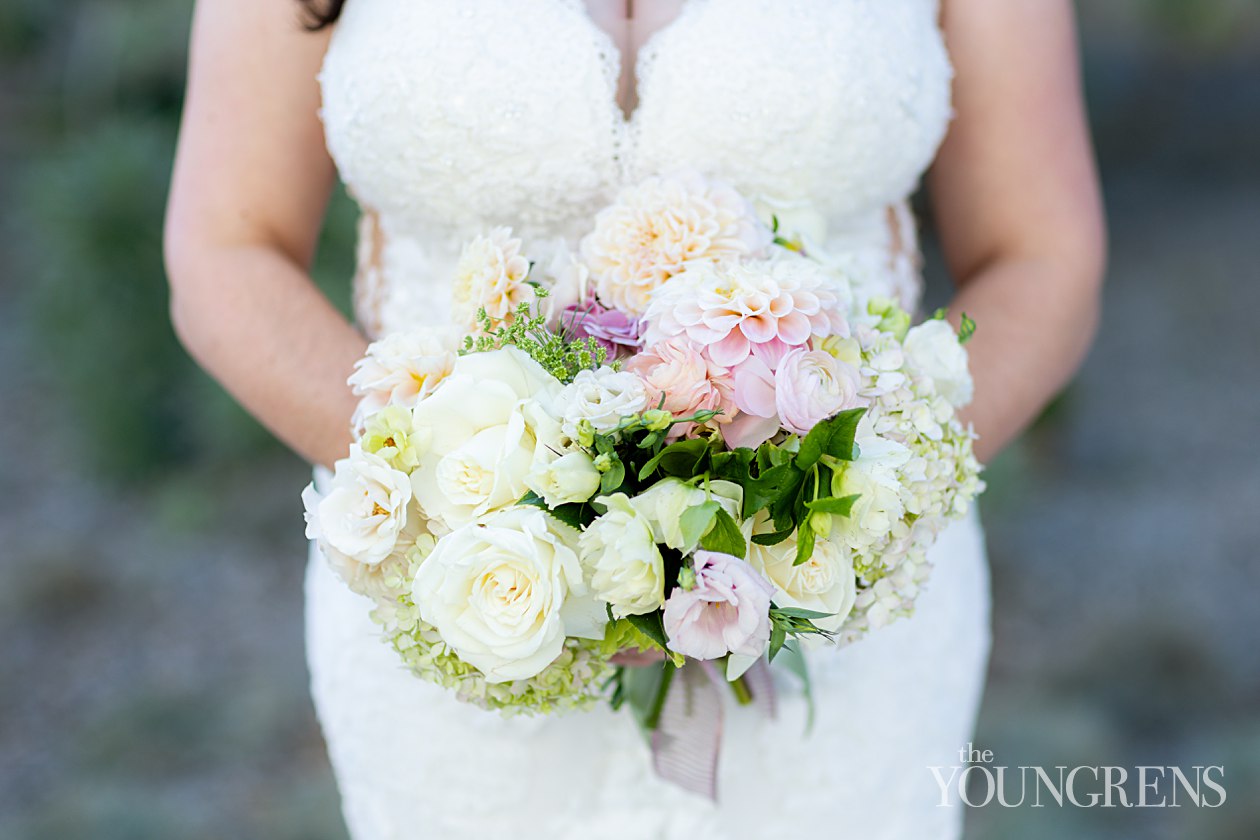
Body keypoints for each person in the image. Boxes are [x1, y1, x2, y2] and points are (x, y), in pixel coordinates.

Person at [163, 1, 1106, 837]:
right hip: (469, 602)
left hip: (830, 605)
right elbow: (227, 246)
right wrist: (463, 509)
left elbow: (1040, 250)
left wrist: (863, 496)